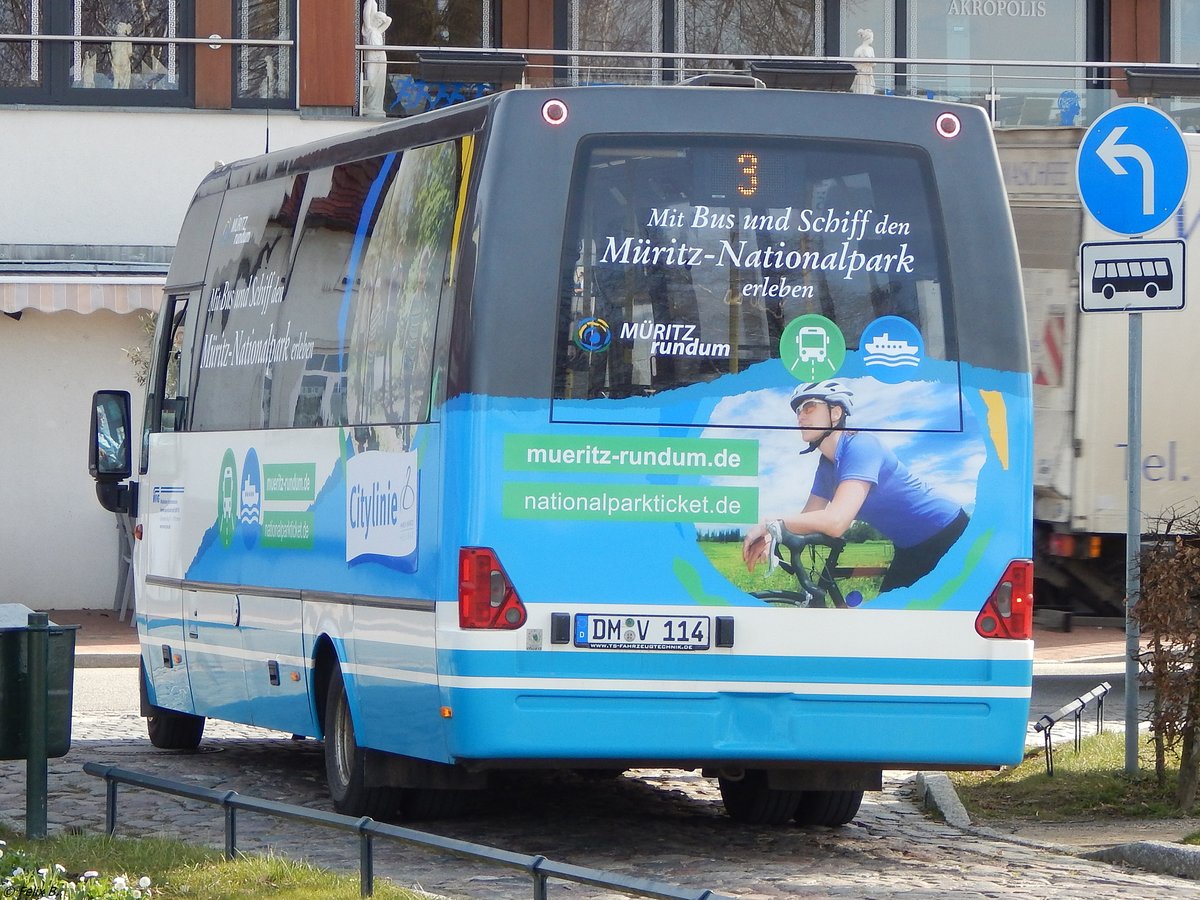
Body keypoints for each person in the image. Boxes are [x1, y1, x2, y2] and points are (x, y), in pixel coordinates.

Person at [742, 380, 968, 592]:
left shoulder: (861, 445)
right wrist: (773, 535)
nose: (800, 416)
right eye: (798, 411)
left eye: (809, 407)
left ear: (835, 413)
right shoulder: (826, 466)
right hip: (909, 546)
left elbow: (837, 522)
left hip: (947, 532)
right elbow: (808, 517)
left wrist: (768, 522)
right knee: (887, 613)